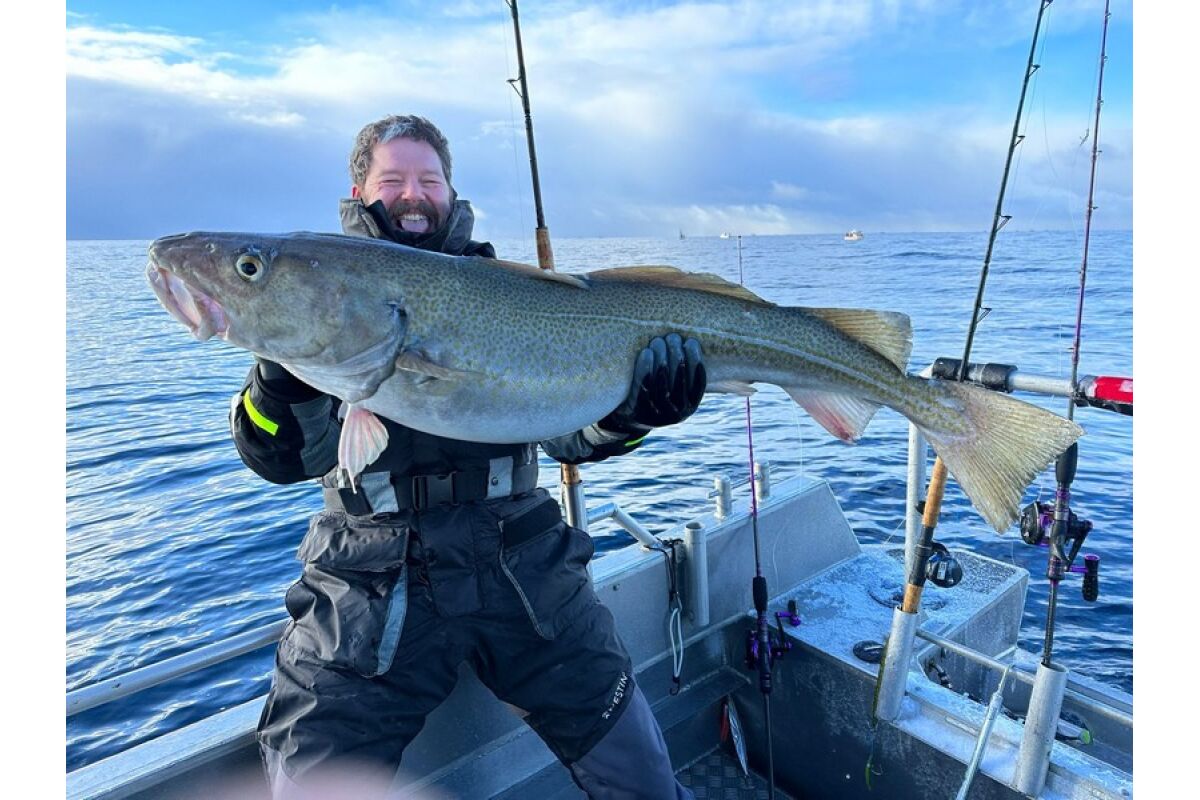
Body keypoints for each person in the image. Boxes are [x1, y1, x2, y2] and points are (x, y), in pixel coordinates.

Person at [230, 114, 705, 799]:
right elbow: (281, 461)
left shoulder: (515, 292)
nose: (413, 194)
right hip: (368, 582)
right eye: (393, 179)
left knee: (645, 777)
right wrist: (278, 381)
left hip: (525, 566)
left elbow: (570, 437)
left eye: (430, 180)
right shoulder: (323, 292)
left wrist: (631, 416)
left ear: (450, 192)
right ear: (359, 192)